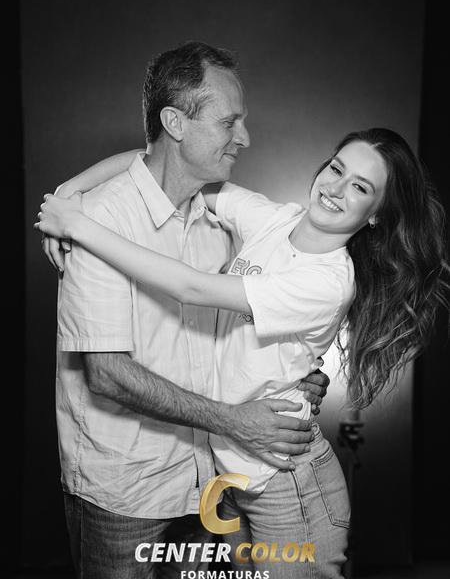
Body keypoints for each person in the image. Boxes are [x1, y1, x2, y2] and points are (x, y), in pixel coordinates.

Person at [36, 126, 450, 578]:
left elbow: (191, 288)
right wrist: (69, 192)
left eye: (360, 187)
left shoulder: (327, 282)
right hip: (232, 476)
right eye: (336, 169)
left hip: (287, 482)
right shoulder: (276, 219)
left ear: (376, 215)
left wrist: (77, 226)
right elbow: (160, 165)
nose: (335, 188)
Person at [38, 41, 329, 579]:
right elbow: (108, 374)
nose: (245, 138)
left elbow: (233, 337)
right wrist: (236, 422)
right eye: (229, 122)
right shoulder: (98, 222)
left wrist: (294, 375)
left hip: (210, 486)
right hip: (125, 497)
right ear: (175, 122)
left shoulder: (222, 219)